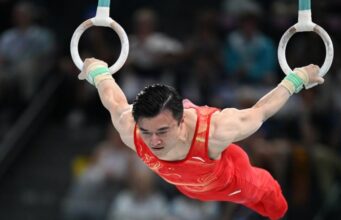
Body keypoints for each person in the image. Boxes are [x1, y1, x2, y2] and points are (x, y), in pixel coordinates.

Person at [76, 57, 324, 219]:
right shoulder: (129, 127)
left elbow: (261, 111)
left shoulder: (215, 131)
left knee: (277, 209)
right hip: (189, 188)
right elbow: (113, 98)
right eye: (147, 132)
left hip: (235, 183)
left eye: (162, 131)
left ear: (181, 121)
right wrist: (97, 71)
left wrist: (297, 78)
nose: (154, 142)